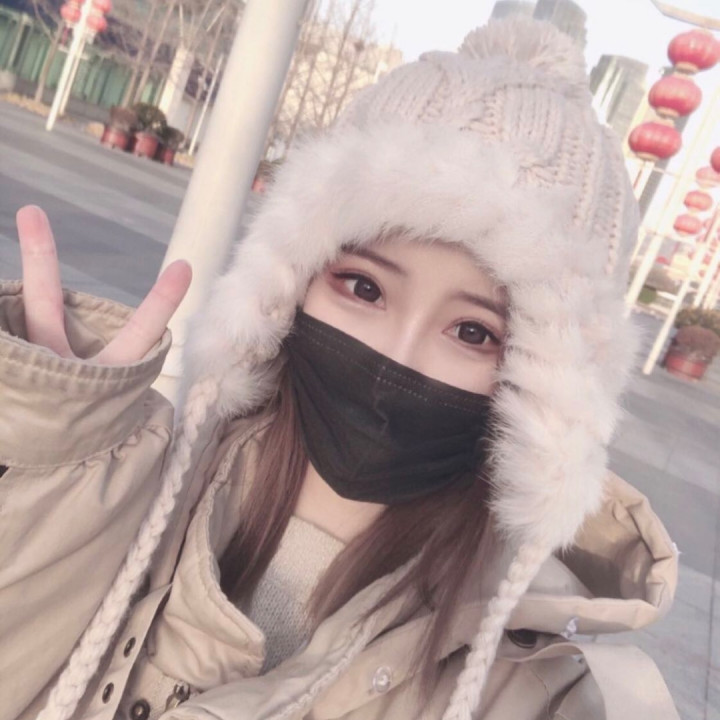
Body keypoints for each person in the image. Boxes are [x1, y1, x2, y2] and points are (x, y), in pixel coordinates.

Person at [0, 16, 680, 720]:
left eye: (474, 332)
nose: (396, 360)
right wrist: (50, 456)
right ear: (286, 286)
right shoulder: (133, 488)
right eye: (363, 288)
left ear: (546, 391)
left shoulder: (534, 690)